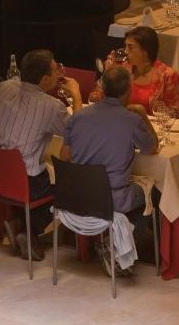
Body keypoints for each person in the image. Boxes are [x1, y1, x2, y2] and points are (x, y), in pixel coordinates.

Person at [0, 49, 82, 260]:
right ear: (45, 79)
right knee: (70, 187)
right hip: (24, 181)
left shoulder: (5, 86)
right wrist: (76, 96)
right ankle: (27, 229)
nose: (59, 72)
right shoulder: (51, 106)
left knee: (44, 171)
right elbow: (78, 133)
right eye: (55, 69)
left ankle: (20, 225)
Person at [61, 66, 159, 274]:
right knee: (155, 192)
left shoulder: (77, 117)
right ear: (128, 91)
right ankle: (117, 247)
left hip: (76, 197)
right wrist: (142, 114)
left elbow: (64, 156)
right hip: (111, 199)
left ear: (102, 89)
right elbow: (152, 148)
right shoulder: (131, 120)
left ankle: (114, 242)